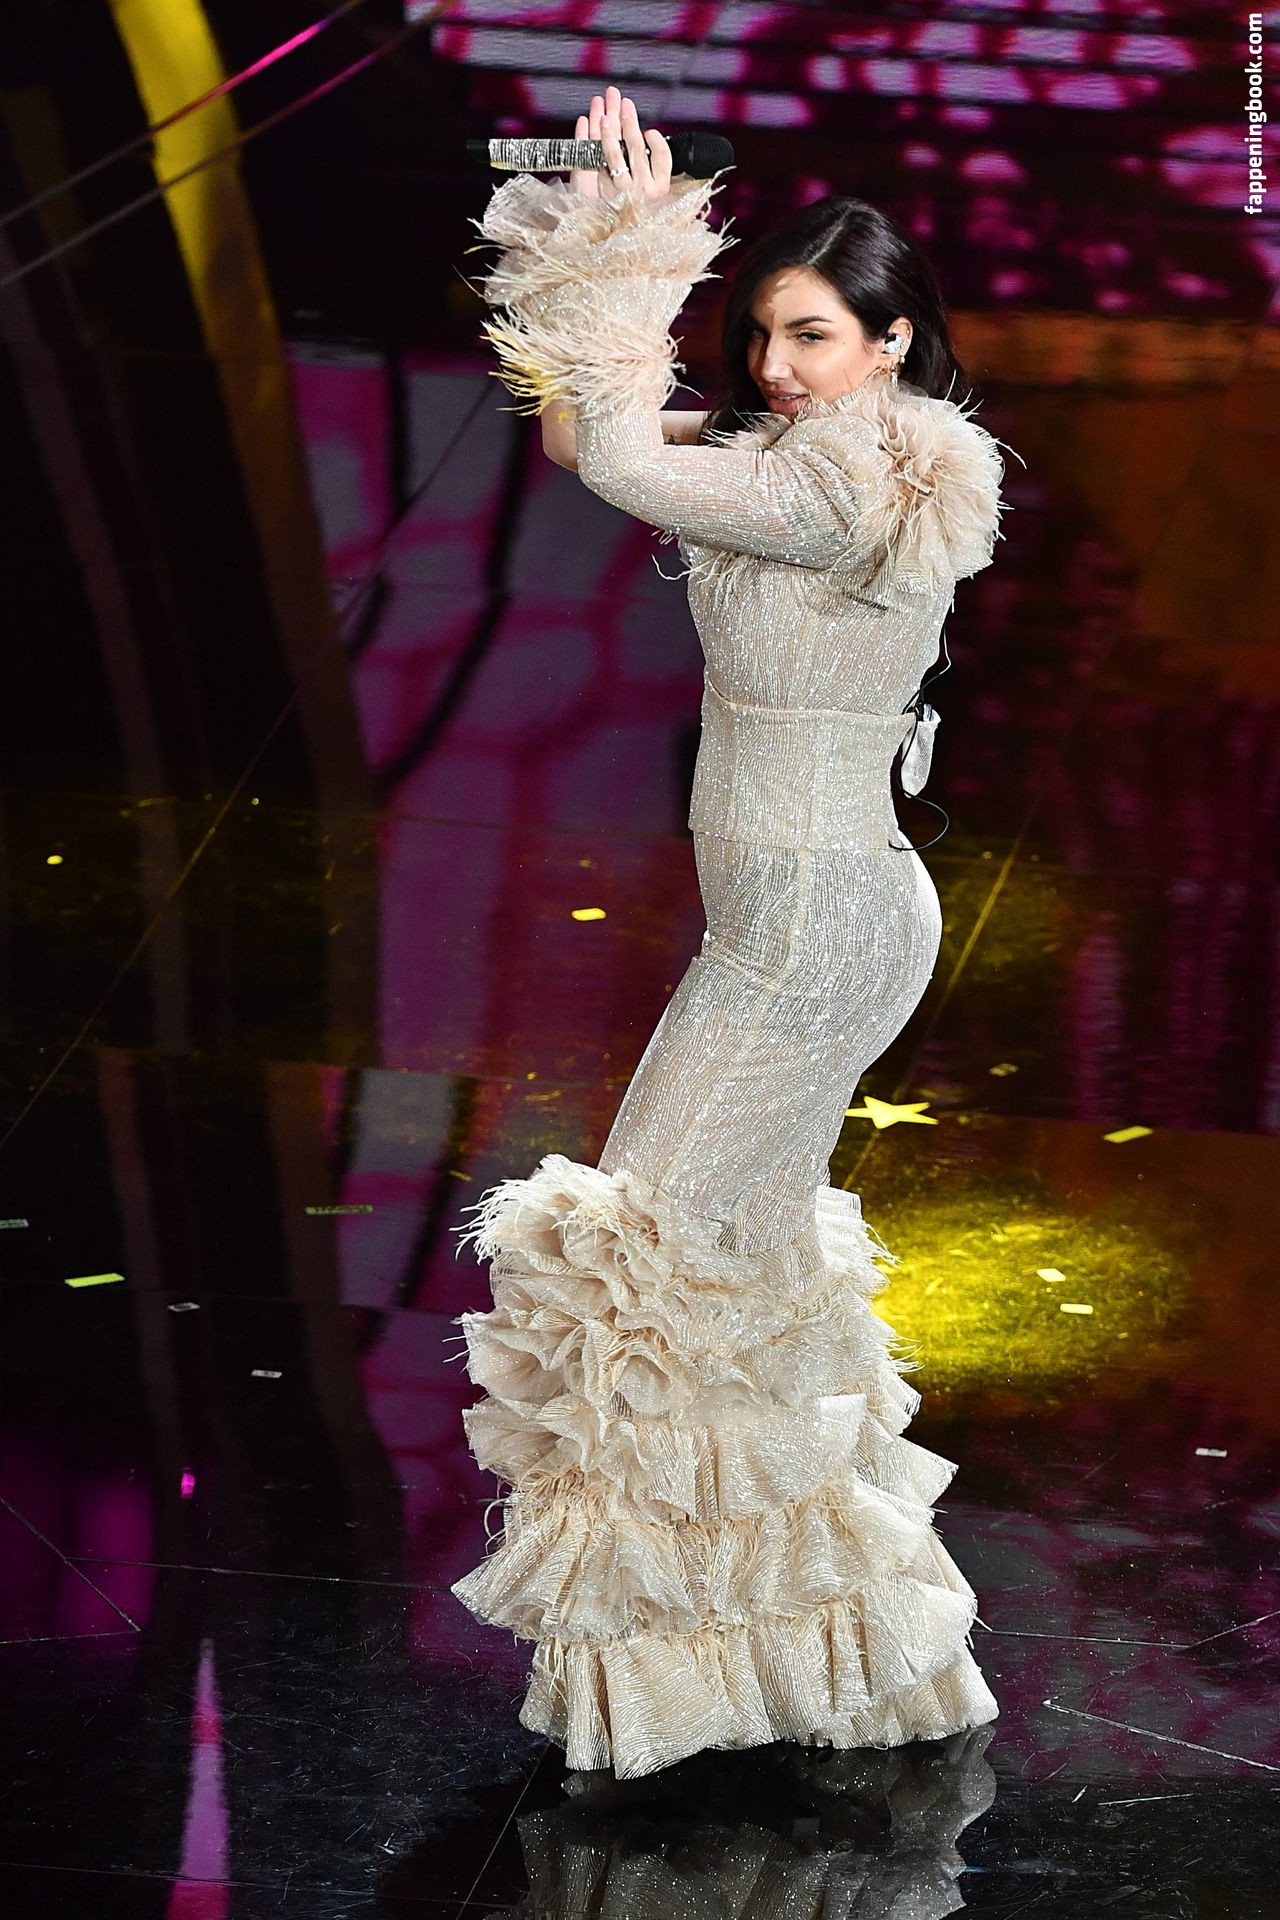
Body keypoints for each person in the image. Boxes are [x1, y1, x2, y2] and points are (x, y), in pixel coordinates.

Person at [450, 86, 1012, 1780]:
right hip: (812, 912)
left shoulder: (855, 484)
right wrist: (593, 248)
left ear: (894, 341)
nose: (776, 366)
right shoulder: (799, 457)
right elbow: (587, 444)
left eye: (813, 336)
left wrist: (639, 254)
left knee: (635, 1259)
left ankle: (678, 1670)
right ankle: (816, 1669)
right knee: (740, 1279)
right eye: (761, 332)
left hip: (813, 934)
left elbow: (628, 459)